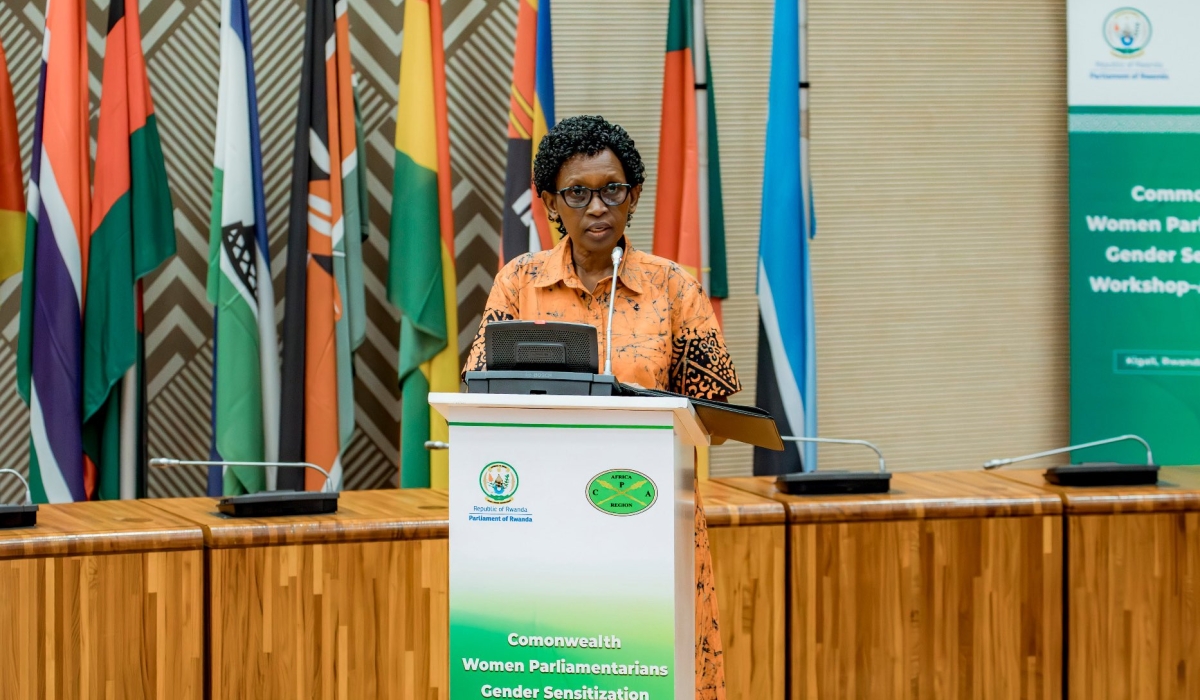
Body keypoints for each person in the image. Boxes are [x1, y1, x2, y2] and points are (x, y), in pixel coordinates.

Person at [464, 114, 740, 700]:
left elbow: (711, 410)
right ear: (549, 203)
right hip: (542, 522)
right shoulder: (520, 283)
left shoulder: (675, 288)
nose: (597, 207)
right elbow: (478, 388)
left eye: (612, 189)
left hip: (653, 516)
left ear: (634, 196)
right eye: (578, 193)